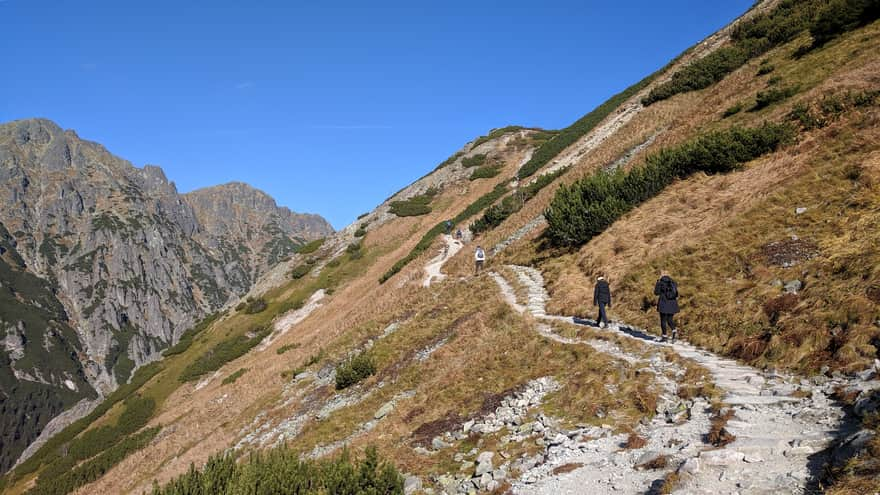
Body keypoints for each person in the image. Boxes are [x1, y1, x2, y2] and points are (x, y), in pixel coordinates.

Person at [654, 272, 679, 342]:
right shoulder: (673, 282)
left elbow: (656, 293)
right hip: (673, 304)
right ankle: (674, 331)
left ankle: (664, 337)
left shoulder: (661, 283)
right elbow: (676, 294)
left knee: (663, 321)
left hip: (664, 304)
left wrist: (657, 283)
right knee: (670, 320)